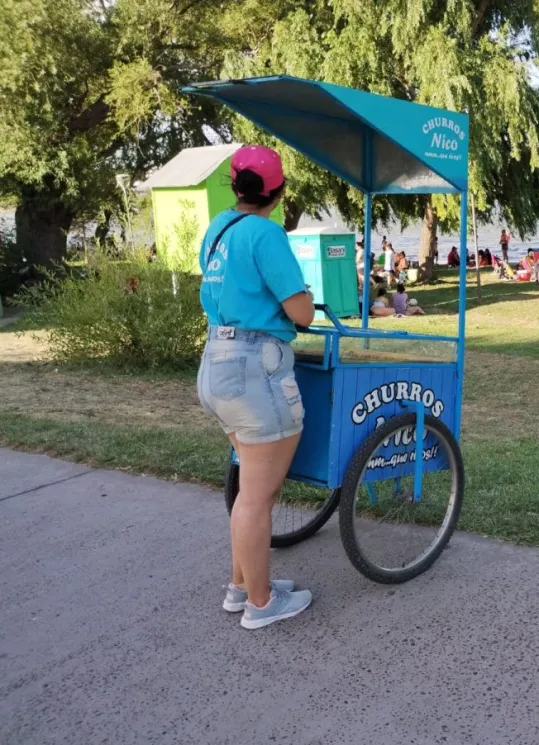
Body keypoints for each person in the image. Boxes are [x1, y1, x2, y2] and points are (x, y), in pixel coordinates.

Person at [197, 145, 314, 629]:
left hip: (215, 363)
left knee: (251, 489)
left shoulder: (219, 228)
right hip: (255, 368)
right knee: (257, 497)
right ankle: (262, 605)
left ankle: (241, 587)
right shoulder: (266, 234)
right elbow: (301, 312)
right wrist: (307, 299)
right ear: (278, 192)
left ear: (235, 185)